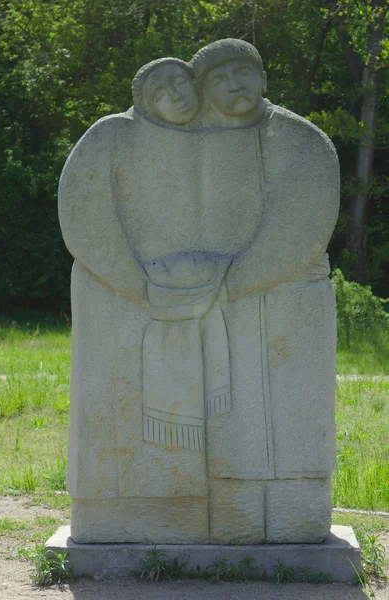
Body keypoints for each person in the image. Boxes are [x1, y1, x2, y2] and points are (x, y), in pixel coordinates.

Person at [59, 39, 339, 545]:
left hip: (273, 303)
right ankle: (138, 513)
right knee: (137, 432)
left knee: (269, 434)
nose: (235, 86)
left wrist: (226, 284)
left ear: (264, 77)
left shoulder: (298, 139)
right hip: (143, 297)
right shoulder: (118, 138)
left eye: (245, 72)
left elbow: (304, 221)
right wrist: (144, 285)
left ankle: (276, 515)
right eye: (219, 78)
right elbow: (84, 214)